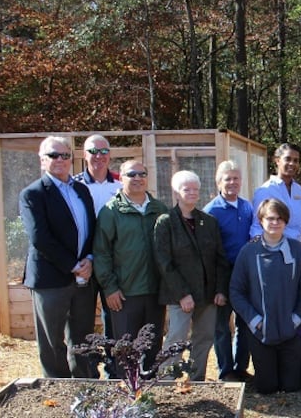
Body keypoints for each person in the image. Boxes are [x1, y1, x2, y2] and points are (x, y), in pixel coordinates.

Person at [19, 136, 96, 378]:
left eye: (65, 155)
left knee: (83, 339)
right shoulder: (33, 194)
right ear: (42, 160)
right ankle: (58, 387)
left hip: (83, 277)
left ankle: (85, 386)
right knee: (52, 341)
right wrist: (73, 265)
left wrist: (89, 259)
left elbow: (91, 228)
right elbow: (40, 238)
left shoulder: (81, 189)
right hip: (50, 278)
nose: (60, 160)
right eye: (53, 155)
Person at [230, 198, 301, 394]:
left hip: (291, 330)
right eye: (270, 218)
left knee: (291, 387)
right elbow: (236, 291)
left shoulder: (297, 249)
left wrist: (296, 318)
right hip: (261, 331)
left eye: (280, 218)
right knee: (267, 388)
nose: (275, 223)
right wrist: (255, 321)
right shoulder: (249, 251)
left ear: (286, 221)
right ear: (261, 220)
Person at [93, 160, 168, 375]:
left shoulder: (159, 209)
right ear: (121, 178)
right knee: (125, 350)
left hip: (155, 292)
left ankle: (150, 390)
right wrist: (110, 288)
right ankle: (126, 390)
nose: (137, 178)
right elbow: (101, 252)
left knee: (153, 346)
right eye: (131, 174)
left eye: (142, 174)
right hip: (125, 294)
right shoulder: (110, 211)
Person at [154, 170, 230, 381]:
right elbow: (164, 262)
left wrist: (220, 290)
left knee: (204, 338)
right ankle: (166, 382)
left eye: (196, 189)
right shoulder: (166, 222)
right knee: (176, 339)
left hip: (208, 294)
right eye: (187, 189)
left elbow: (220, 259)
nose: (192, 193)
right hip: (180, 296)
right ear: (176, 192)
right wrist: (182, 294)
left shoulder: (209, 221)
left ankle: (196, 381)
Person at [74, 134, 122, 378]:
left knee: (113, 318)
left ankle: (115, 370)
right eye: (93, 151)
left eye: (104, 151)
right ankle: (89, 373)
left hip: (113, 264)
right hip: (83, 264)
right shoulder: (74, 185)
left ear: (110, 155)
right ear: (84, 155)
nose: (99, 156)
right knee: (83, 321)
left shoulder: (121, 184)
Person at [203, 160, 254, 381]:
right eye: (228, 179)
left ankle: (241, 367)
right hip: (222, 275)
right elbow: (208, 254)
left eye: (236, 178)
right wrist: (216, 287)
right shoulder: (211, 211)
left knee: (245, 323)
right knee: (222, 326)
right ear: (218, 182)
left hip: (245, 275)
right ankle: (226, 371)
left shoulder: (247, 207)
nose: (232, 182)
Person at [250, 143, 301, 240]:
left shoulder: (299, 190)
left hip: (296, 246)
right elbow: (257, 226)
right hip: (274, 246)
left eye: (295, 160)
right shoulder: (265, 190)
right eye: (288, 159)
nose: (292, 163)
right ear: (277, 160)